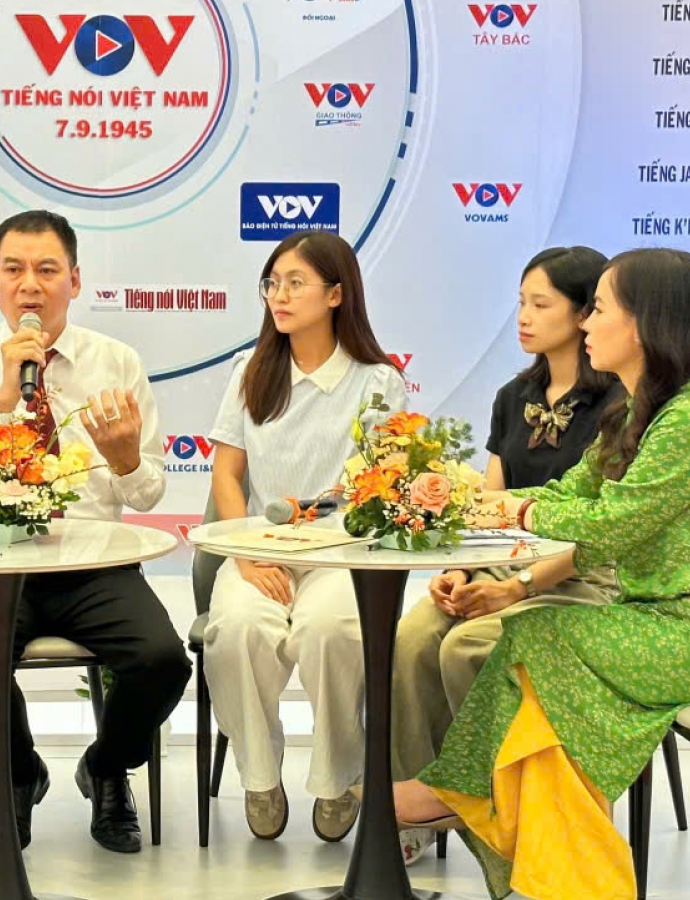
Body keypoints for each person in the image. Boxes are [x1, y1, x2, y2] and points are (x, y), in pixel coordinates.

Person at [391, 248, 690, 900]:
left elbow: (609, 524)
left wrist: (516, 508)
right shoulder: (635, 412)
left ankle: (463, 791)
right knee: (552, 700)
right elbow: (572, 495)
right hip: (657, 620)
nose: (587, 323)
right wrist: (480, 515)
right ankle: (550, 866)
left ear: (646, 323)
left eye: (599, 309)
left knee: (537, 641)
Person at [0, 210, 193, 854]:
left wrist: (125, 461)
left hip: (90, 562)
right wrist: (3, 399)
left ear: (74, 281)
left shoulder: (116, 362)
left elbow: (147, 491)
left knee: (161, 660)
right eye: (14, 269)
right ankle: (20, 772)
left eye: (47, 270)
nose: (30, 285)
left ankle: (106, 767)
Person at [391, 246, 624, 864]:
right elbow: (489, 499)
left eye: (540, 304)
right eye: (521, 301)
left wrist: (515, 587)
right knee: (413, 637)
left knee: (467, 647)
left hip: (577, 571)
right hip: (500, 562)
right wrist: (458, 570)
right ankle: (419, 811)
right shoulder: (513, 394)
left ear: (584, 313)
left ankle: (502, 809)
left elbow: (600, 531)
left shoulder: (618, 406)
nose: (523, 316)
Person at [202, 231, 406, 843]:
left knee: (331, 629)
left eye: (295, 283)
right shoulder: (250, 372)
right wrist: (244, 555)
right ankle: (259, 776)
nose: (279, 296)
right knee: (237, 629)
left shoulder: (376, 381)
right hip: (258, 551)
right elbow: (226, 475)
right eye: (272, 283)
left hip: (341, 555)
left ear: (336, 294)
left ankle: (337, 777)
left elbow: (382, 484)